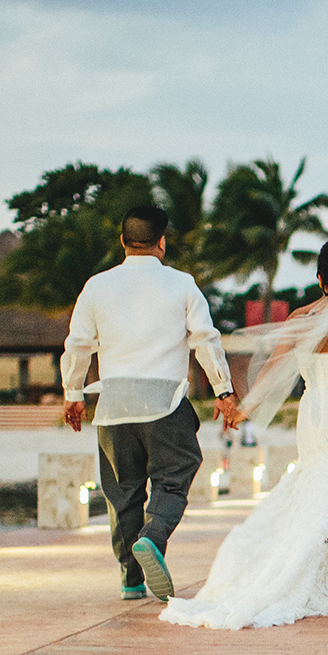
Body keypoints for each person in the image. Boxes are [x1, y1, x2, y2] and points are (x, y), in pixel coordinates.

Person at [160, 238, 328, 630]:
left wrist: (243, 409)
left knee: (318, 491)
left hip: (318, 418)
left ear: (320, 278)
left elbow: (272, 370)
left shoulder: (301, 319)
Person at [61, 204, 242, 602]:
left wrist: (74, 395)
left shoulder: (96, 286)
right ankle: (154, 535)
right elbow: (205, 340)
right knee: (176, 472)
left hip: (113, 404)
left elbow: (77, 345)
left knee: (123, 491)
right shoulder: (182, 284)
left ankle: (130, 579)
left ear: (123, 241)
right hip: (166, 401)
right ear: (162, 242)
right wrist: (224, 392)